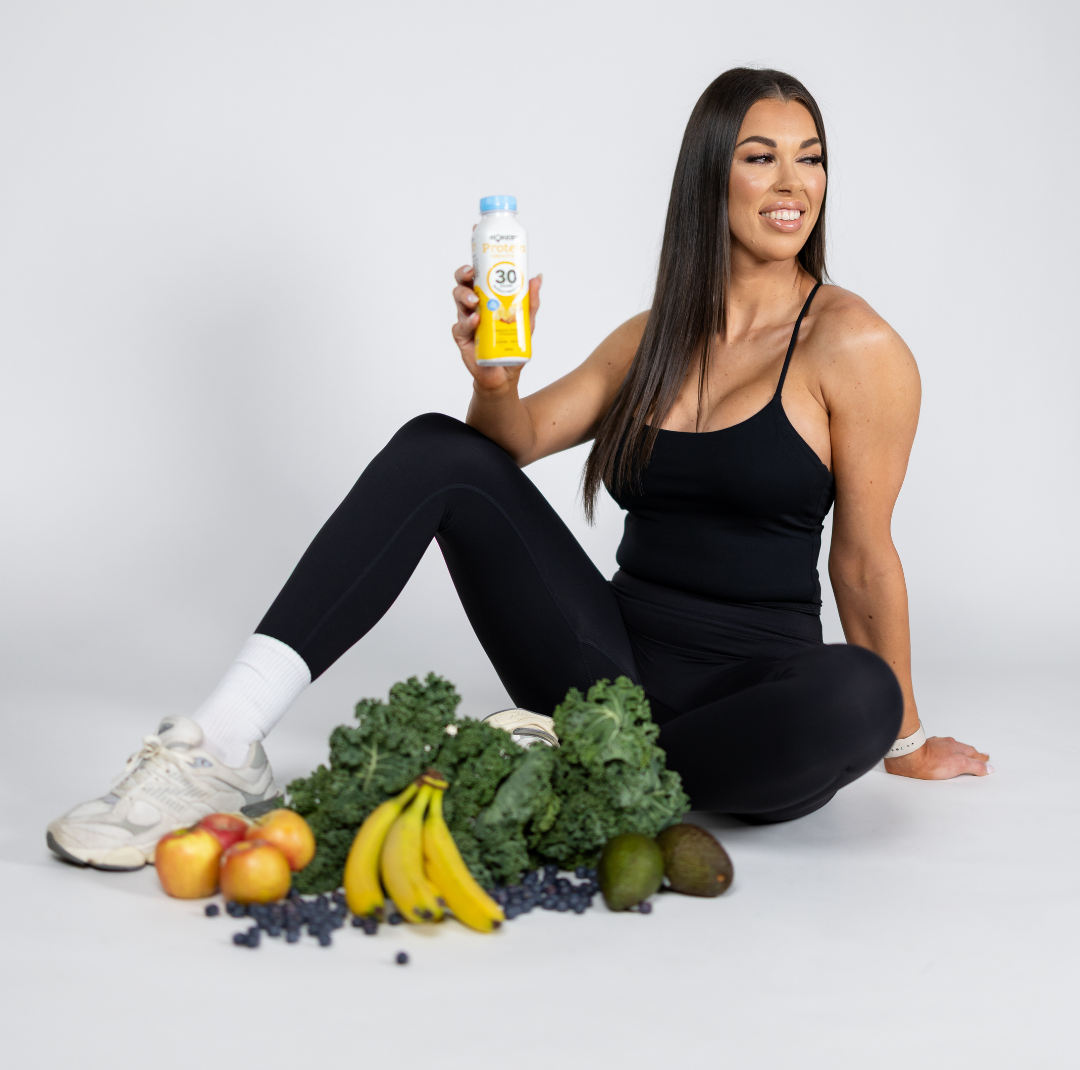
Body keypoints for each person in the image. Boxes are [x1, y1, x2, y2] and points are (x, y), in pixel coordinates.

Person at [47, 67, 989, 872]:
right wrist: (495, 377)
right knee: (436, 446)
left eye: (810, 156)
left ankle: (602, 768)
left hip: (753, 700)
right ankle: (220, 741)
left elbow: (864, 561)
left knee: (856, 693)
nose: (793, 182)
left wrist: (902, 736)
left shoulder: (855, 346)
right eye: (761, 156)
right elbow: (505, 447)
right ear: (712, 177)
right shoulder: (649, 339)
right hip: (601, 668)